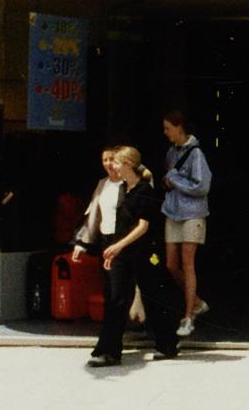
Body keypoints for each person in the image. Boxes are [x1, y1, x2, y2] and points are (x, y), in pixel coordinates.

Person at [75, 145, 179, 364]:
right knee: (116, 299)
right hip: (122, 252)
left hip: (141, 252)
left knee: (152, 298)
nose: (113, 166)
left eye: (117, 162)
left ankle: (167, 344)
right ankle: (109, 351)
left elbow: (143, 227)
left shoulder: (144, 191)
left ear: (129, 164)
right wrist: (112, 250)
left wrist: (117, 246)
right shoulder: (124, 189)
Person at [161, 109, 212, 338]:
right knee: (171, 264)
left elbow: (202, 186)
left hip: (192, 213)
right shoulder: (171, 152)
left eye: (168, 128)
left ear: (179, 127)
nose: (165, 132)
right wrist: (170, 181)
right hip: (173, 211)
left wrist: (174, 180)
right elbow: (169, 177)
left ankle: (188, 316)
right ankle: (197, 302)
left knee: (188, 263)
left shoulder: (196, 154)